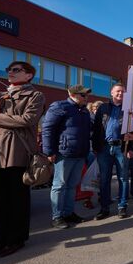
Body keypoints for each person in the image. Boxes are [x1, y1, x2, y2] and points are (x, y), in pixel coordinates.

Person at [0, 61, 45, 257]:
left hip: (17, 152)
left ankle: (16, 239)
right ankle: (0, 240)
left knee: (17, 199)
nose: (11, 73)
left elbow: (27, 120)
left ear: (29, 75)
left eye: (16, 70)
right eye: (9, 70)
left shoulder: (35, 95)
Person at [41, 84, 92, 229]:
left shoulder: (84, 111)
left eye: (86, 95)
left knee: (72, 185)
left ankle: (68, 213)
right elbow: (47, 129)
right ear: (73, 94)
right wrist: (49, 152)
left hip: (80, 154)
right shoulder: (60, 106)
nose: (86, 98)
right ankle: (57, 217)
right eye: (83, 95)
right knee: (59, 185)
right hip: (64, 153)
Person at [91, 83, 133, 220]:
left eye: (123, 91)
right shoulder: (103, 108)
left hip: (122, 148)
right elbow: (97, 128)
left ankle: (122, 206)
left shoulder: (130, 109)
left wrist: (132, 148)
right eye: (118, 91)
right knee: (104, 179)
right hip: (104, 148)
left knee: (123, 178)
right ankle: (104, 208)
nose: (120, 94)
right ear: (111, 92)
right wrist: (96, 148)